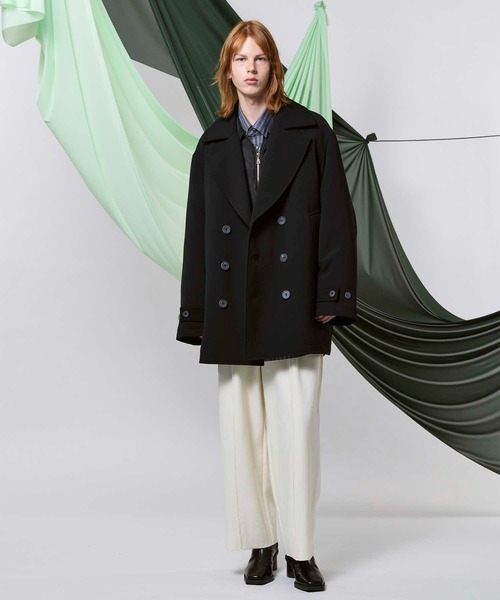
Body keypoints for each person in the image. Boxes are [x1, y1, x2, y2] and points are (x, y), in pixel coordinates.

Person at [176, 19, 357, 593]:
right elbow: (198, 235)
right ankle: (261, 543)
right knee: (243, 434)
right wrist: (197, 313)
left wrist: (331, 295)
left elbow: (337, 217)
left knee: (295, 431)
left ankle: (301, 551)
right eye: (240, 59)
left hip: (294, 301)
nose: (250, 68)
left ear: (274, 67)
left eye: (259, 58)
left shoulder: (311, 132)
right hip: (233, 306)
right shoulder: (211, 144)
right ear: (227, 72)